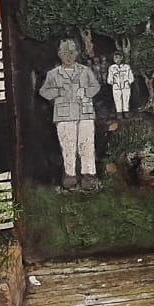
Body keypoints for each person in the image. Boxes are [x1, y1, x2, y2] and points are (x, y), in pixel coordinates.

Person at [39, 38, 102, 191]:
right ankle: (70, 175)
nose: (69, 56)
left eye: (72, 53)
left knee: (87, 143)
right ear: (59, 54)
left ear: (77, 53)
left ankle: (88, 174)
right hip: (64, 115)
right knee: (68, 144)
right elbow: (43, 91)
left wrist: (85, 92)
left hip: (84, 113)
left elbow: (96, 86)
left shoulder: (85, 71)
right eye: (65, 53)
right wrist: (58, 91)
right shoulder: (53, 74)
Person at [107, 50, 135, 115]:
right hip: (116, 87)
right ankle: (119, 114)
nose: (117, 59)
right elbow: (109, 79)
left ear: (121, 58)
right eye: (115, 58)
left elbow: (131, 78)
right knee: (117, 100)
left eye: (118, 57)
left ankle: (126, 113)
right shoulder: (111, 68)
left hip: (126, 87)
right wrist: (113, 82)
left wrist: (128, 82)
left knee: (126, 99)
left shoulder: (127, 67)